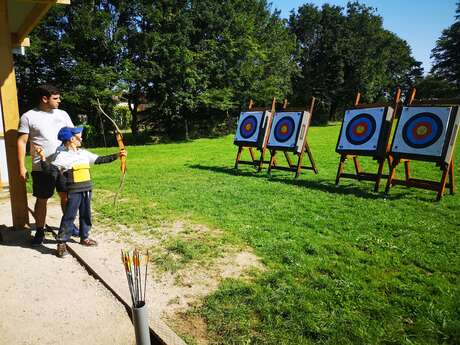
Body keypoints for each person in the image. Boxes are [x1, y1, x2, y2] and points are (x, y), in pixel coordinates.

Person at [36, 127, 126, 257]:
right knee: (69, 216)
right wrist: (43, 158)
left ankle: (84, 238)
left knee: (86, 214)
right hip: (74, 191)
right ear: (72, 139)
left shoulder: (83, 153)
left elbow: (100, 159)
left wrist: (118, 155)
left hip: (87, 189)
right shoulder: (62, 157)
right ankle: (61, 243)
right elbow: (51, 171)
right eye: (78, 137)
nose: (81, 138)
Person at [17, 84, 79, 246]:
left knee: (66, 196)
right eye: (56, 98)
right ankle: (39, 230)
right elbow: (22, 142)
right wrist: (21, 166)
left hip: (64, 165)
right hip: (42, 167)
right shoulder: (28, 117)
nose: (59, 101)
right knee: (42, 199)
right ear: (44, 99)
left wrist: (76, 141)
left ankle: (69, 226)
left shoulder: (63, 114)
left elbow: (74, 134)